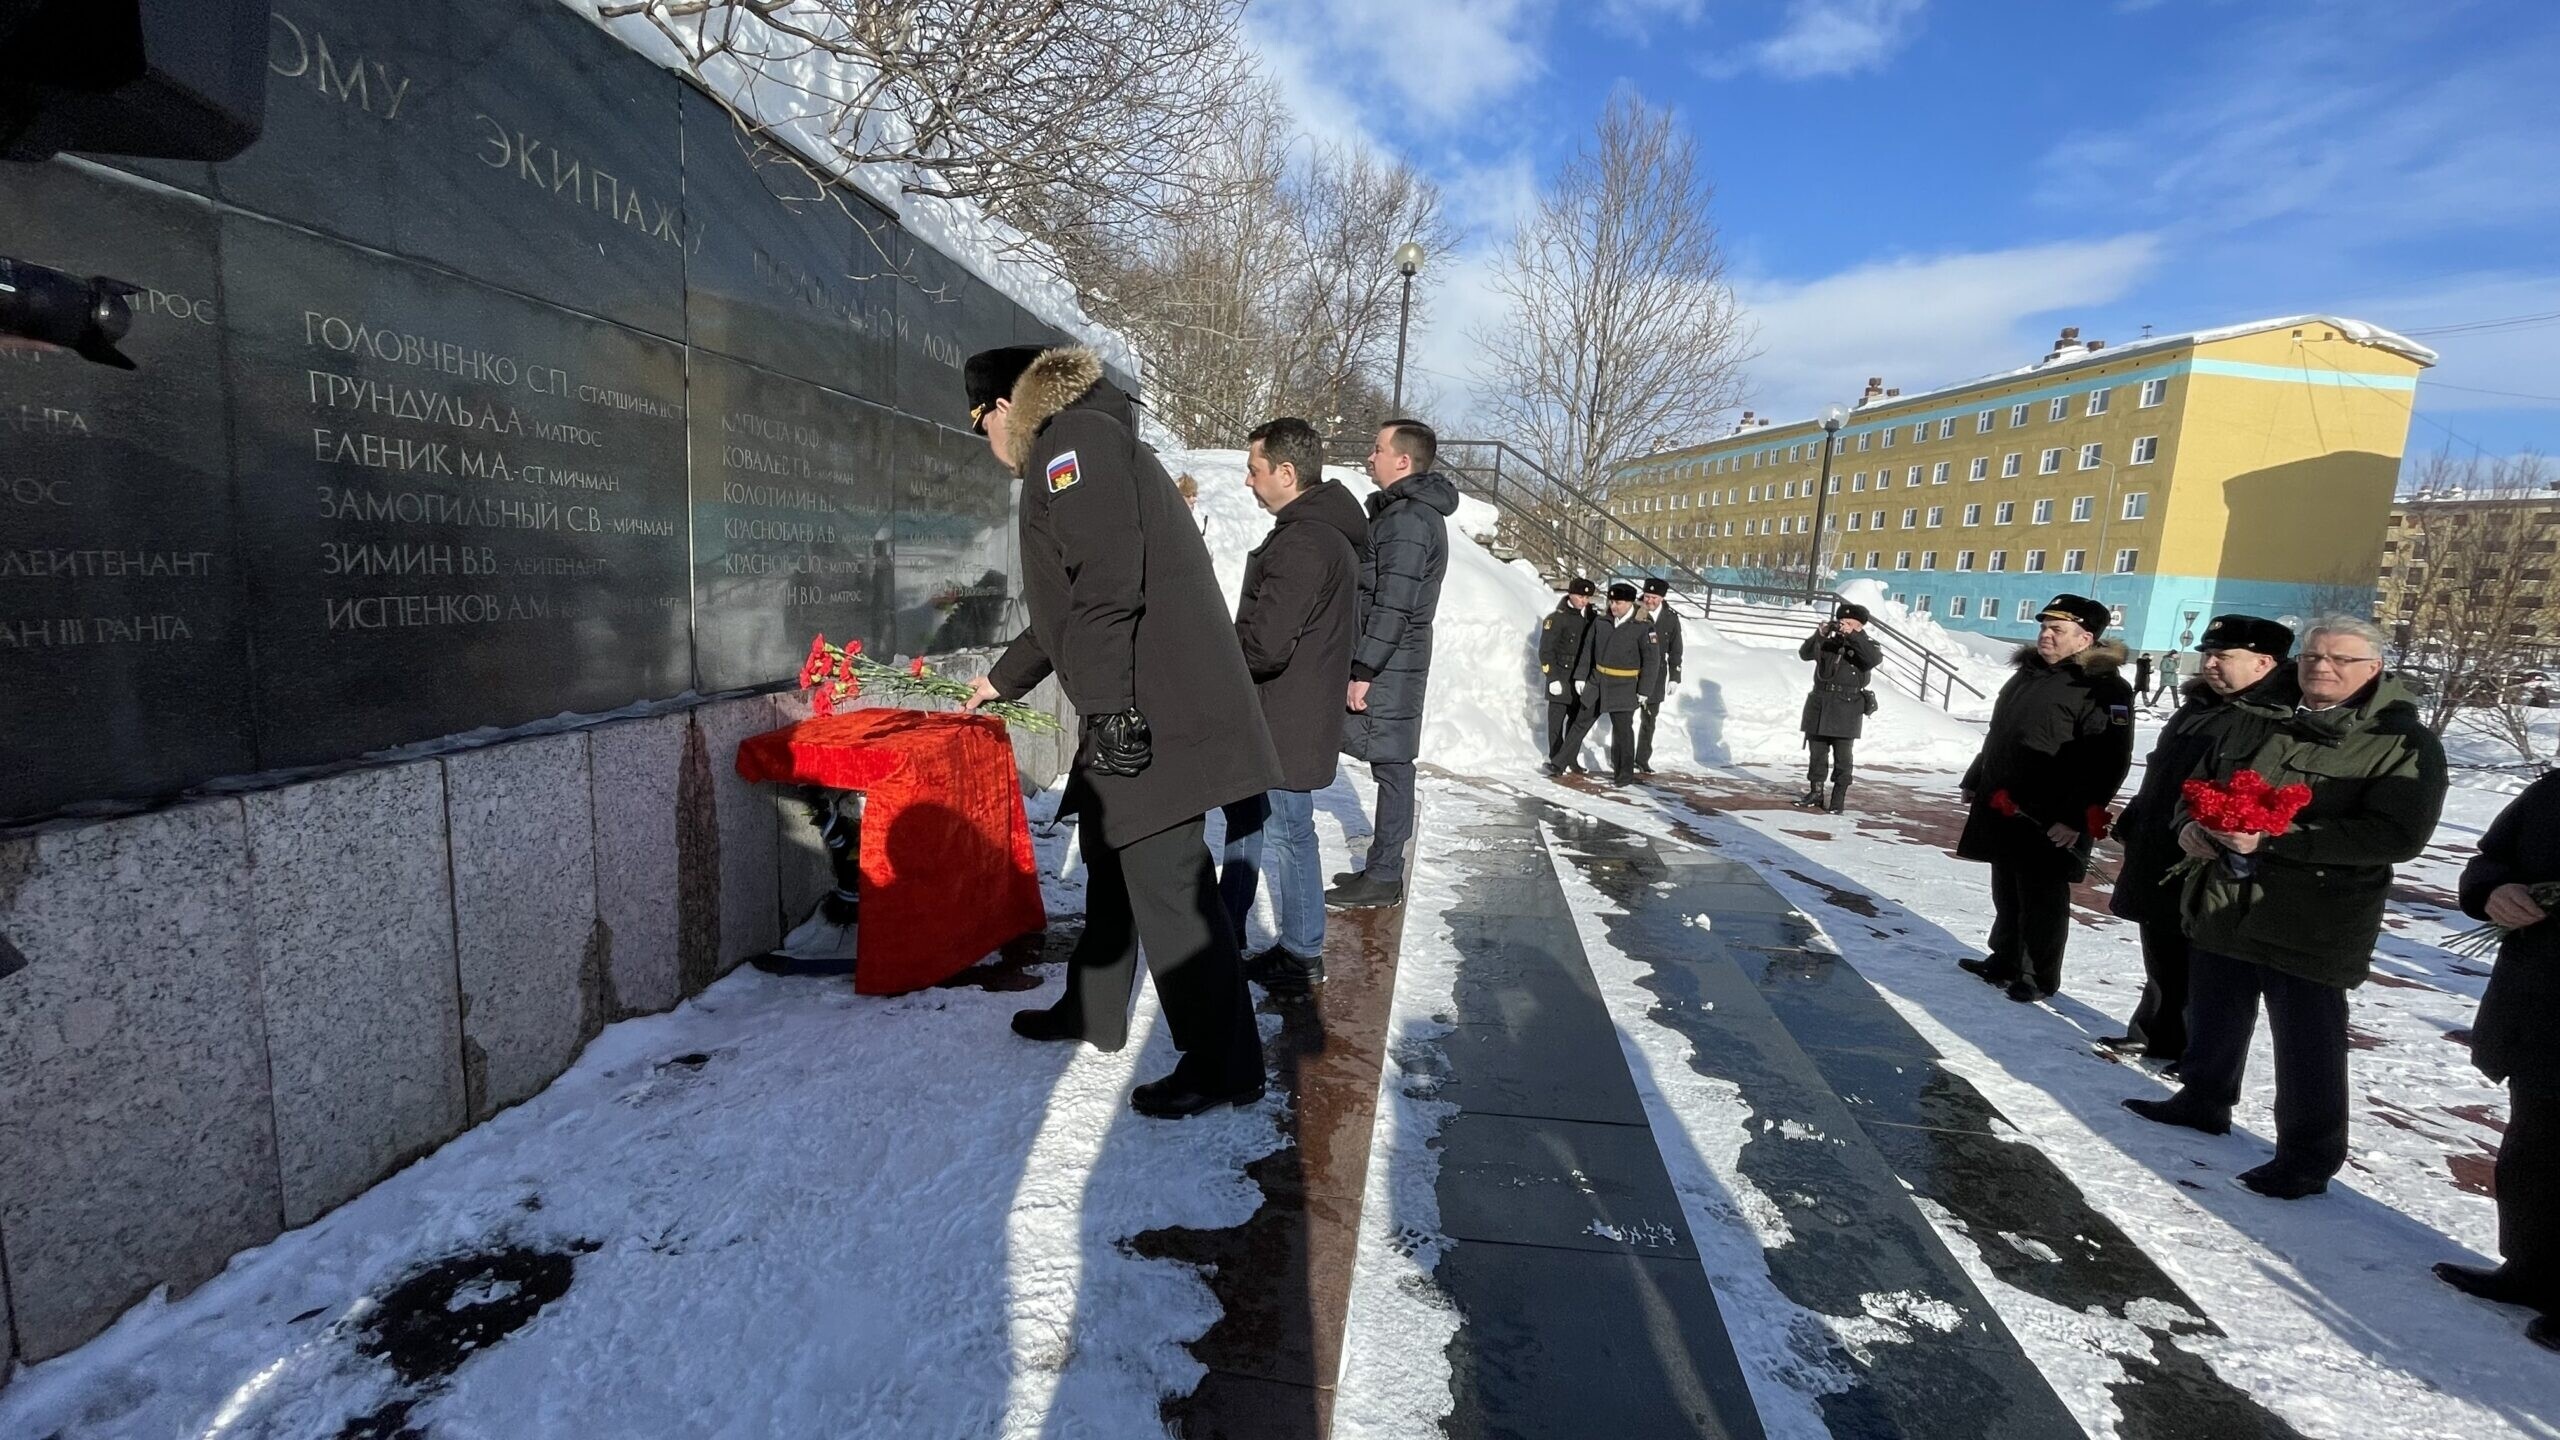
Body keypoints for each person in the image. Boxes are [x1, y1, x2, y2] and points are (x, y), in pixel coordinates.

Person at [962, 344, 1283, 1119]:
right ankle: (1094, 1009)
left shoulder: (1073, 445)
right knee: (1112, 855)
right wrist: (1000, 680)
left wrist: (1107, 714)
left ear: (1004, 407)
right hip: (1143, 700)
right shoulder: (1082, 442)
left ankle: (1224, 1063)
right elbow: (1065, 609)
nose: (987, 443)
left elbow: (1107, 587)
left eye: (979, 425)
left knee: (1169, 883)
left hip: (1153, 708)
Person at [2120, 616, 2448, 1199]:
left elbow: (2395, 836)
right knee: (2215, 1010)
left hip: (2314, 916)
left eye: (2341, 659)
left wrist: (2278, 838)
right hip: (2226, 898)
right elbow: (2198, 786)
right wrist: (2191, 826)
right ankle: (2204, 1100)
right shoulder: (2259, 719)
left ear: (2373, 669)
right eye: (2314, 656)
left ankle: (2307, 1157)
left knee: (2307, 1041)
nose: (2322, 667)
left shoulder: (2402, 743)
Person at [2097, 615, 2293, 1064]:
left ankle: (2194, 1049)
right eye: (2208, 654)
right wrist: (2136, 818)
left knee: (2203, 960)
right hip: (2163, 839)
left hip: (2211, 853)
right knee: (2162, 949)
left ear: (2264, 663)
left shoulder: (2271, 717)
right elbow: (2165, 770)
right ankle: (2155, 1032)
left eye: (2223, 656)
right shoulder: (2201, 706)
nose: (2209, 664)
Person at [1223, 417, 1367, 996]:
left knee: (1287, 831)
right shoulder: (1314, 532)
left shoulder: (1306, 539)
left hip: (1285, 713)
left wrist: (1213, 651)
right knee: (1262, 822)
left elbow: (1265, 643)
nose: (1248, 482)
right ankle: (1232, 924)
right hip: (1288, 710)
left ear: (1287, 472)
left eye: (1254, 470)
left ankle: (1303, 952)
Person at [1955, 594, 2137, 1003]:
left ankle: (2037, 974)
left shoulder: (2102, 686)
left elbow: (2109, 760)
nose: (2045, 635)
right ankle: (2003, 958)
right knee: (2007, 886)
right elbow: (2000, 733)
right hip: (2005, 799)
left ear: (2085, 637)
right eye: (2043, 627)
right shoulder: (2029, 674)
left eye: (2057, 629)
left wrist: (2076, 818)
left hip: (2053, 811)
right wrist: (1977, 776)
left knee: (2042, 896)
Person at [2440, 774, 2560, 1350]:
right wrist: (2494, 891)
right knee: (2533, 1150)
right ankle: (2531, 1270)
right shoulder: (2553, 790)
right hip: (2540, 1000)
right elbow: (2490, 858)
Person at [1328, 419, 1458, 909]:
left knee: (1392, 765)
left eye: (1378, 449)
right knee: (1392, 763)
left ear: (1403, 461)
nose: (1369, 456)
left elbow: (1394, 602)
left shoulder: (1406, 518)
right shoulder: (1408, 513)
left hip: (1390, 661)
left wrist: (1364, 669)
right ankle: (1382, 870)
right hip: (1395, 658)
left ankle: (1384, 875)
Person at [1557, 582, 1664, 785]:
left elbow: (1652, 661)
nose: (1614, 606)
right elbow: (1588, 650)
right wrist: (1581, 676)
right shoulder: (1601, 622)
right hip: (1598, 681)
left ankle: (1624, 775)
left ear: (1630, 603)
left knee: (1623, 731)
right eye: (1612, 601)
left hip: (1624, 685)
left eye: (1618, 602)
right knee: (1580, 723)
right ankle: (1559, 763)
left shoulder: (1643, 626)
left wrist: (1644, 690)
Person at [1796, 602, 1881, 812]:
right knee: (1817, 753)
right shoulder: (1829, 642)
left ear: (1860, 626)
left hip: (1847, 707)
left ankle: (1838, 798)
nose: (1843, 626)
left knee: (1843, 758)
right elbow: (1805, 654)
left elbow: (1872, 660)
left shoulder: (1866, 644)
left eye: (1849, 623)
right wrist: (1819, 635)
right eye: (1842, 622)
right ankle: (1815, 792)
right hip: (1820, 703)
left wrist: (1853, 636)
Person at [1539, 578, 1599, 775]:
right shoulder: (1556, 619)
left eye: (1587, 597)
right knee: (1556, 722)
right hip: (1561, 676)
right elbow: (1546, 651)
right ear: (1571, 594)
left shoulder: (1590, 619)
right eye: (1581, 596)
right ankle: (1556, 759)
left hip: (1580, 678)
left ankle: (1570, 758)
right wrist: (1552, 677)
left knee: (1575, 722)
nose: (1584, 601)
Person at [1634, 578, 1684, 774]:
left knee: (1649, 719)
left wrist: (1674, 676)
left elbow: (1676, 649)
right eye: (1647, 596)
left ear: (1662, 598)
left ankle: (1642, 758)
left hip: (1656, 675)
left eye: (1654, 597)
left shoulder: (1670, 618)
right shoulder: (1635, 611)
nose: (1649, 600)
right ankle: (1623, 756)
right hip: (1634, 672)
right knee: (1625, 718)